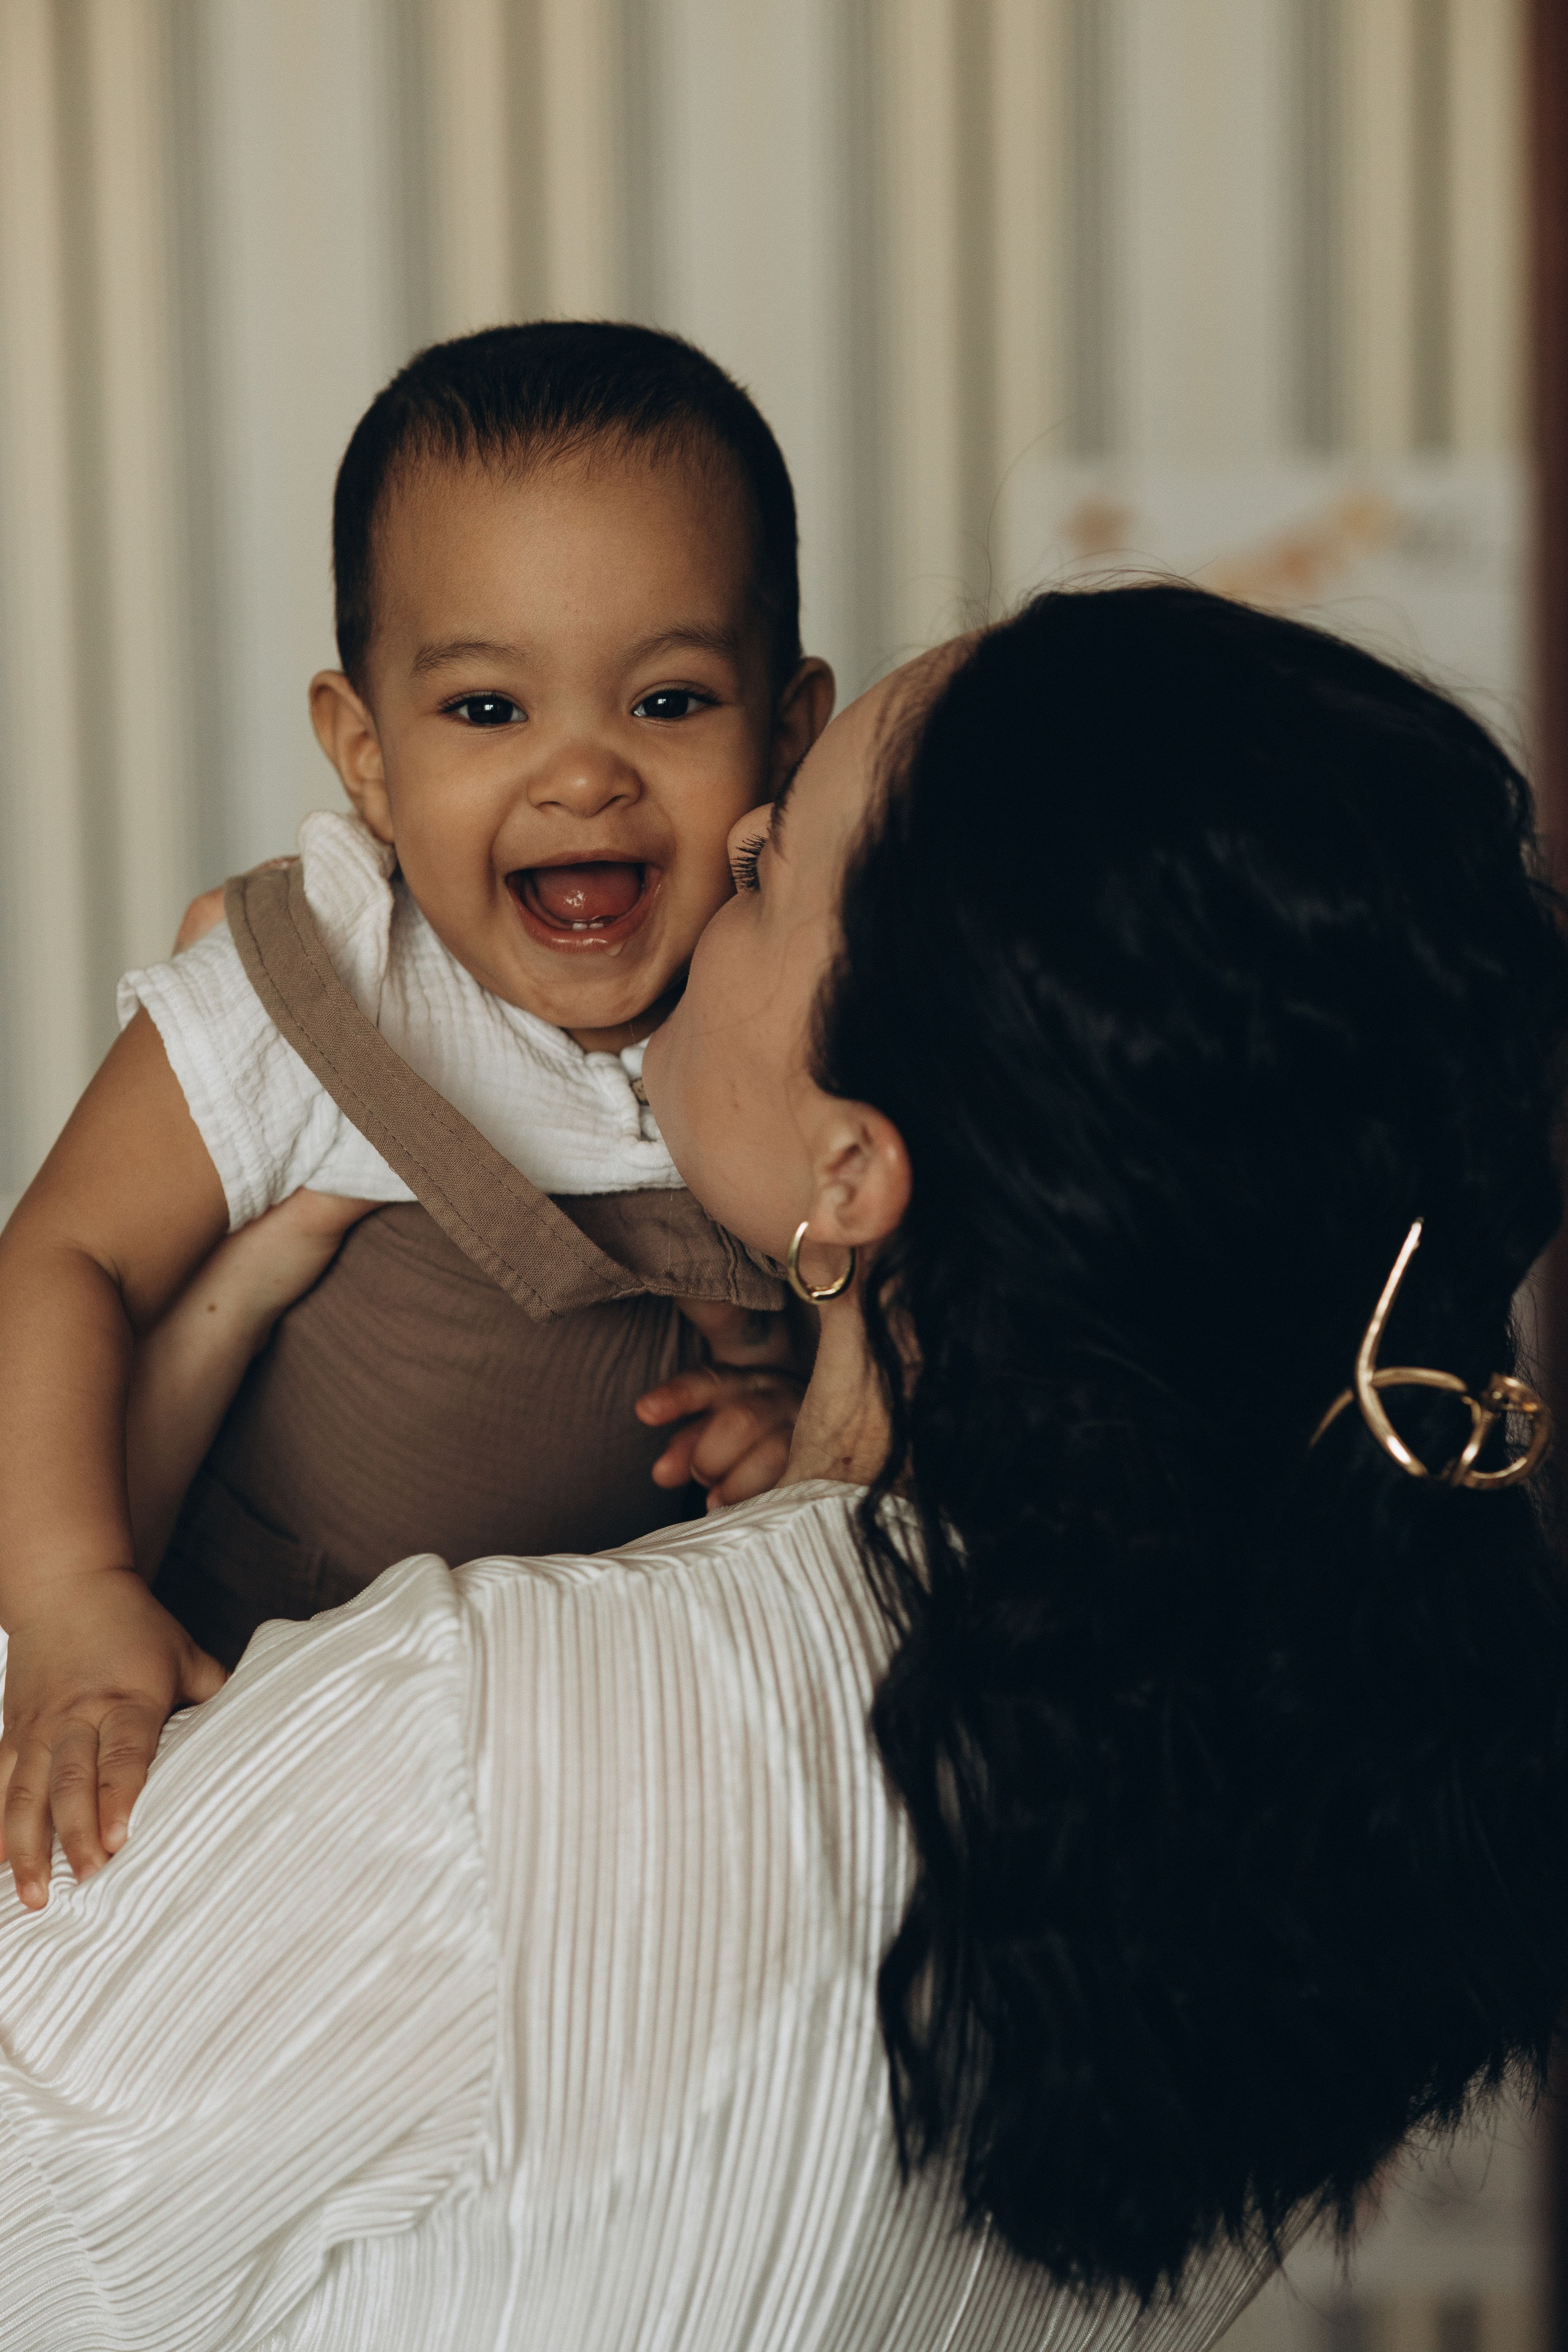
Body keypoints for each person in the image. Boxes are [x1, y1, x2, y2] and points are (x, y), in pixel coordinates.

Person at [2, 582, 1567, 2349]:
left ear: (851, 1174)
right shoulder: (1257, 1792)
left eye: (771, 868)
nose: (724, 834)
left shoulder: (491, 1738)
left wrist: (176, 1374)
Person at [0, 322, 831, 1907]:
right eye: (488, 711)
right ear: (367, 758)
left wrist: (789, 1433)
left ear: (788, 734)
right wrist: (70, 1594)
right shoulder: (325, 988)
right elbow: (61, 1258)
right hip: (254, 1696)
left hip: (592, 1786)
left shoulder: (806, 1019)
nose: (582, 776)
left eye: (667, 700)